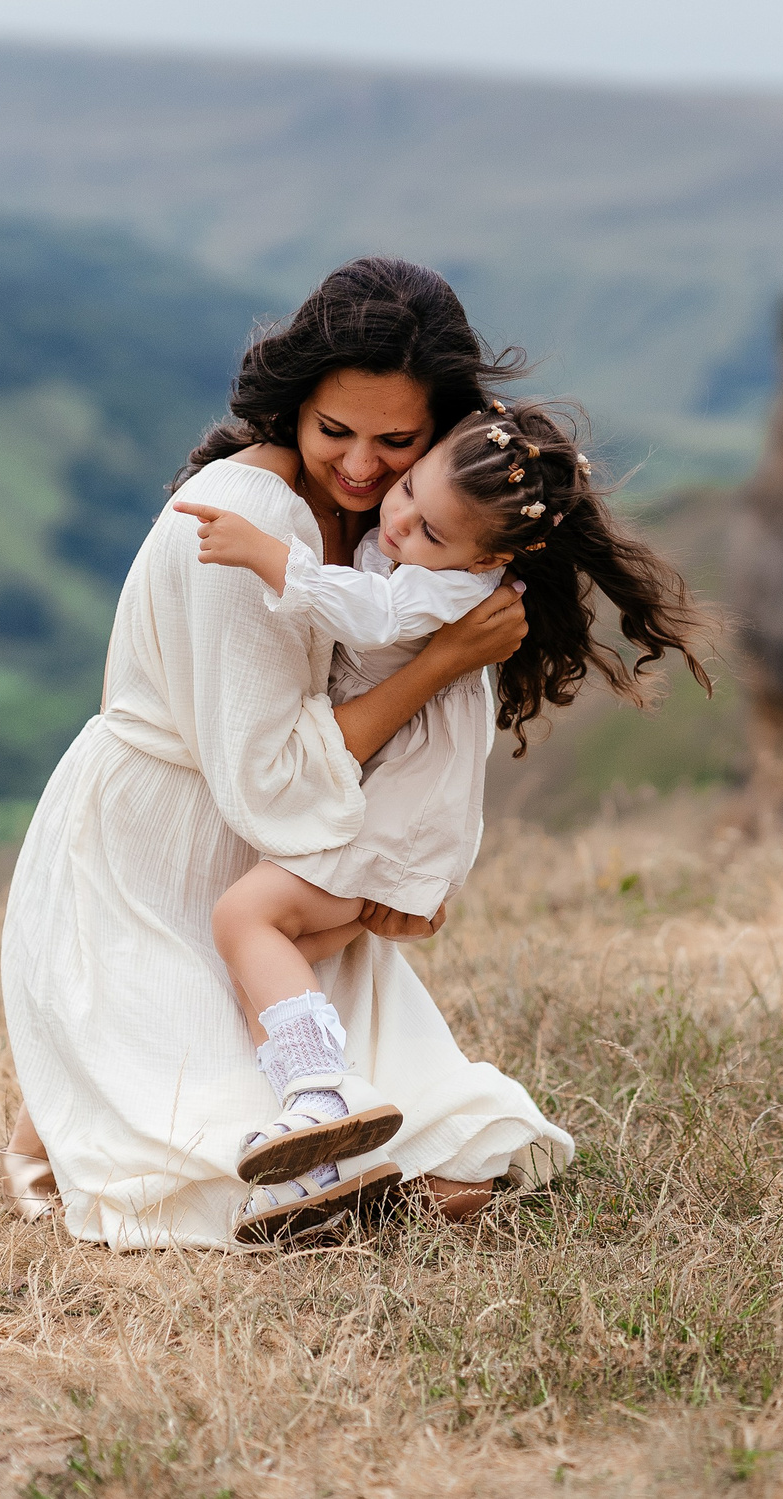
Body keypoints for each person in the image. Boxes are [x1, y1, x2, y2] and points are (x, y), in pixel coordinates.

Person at [0, 258, 572, 1248]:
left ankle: (172, 1098)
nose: (359, 468)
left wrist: (394, 860)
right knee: (218, 1180)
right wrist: (441, 664)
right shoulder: (254, 518)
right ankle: (89, 1099)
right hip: (158, 849)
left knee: (458, 1168)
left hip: (266, 853)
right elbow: (269, 776)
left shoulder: (400, 531)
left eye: (396, 443)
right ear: (294, 404)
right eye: (334, 432)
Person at [169, 400, 710, 1231]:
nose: (398, 521)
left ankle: (321, 1092)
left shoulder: (448, 591)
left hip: (388, 819)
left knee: (245, 917)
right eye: (409, 490)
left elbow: (371, 613)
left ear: (487, 556)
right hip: (395, 818)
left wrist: (270, 554)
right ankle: (326, 1159)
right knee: (275, 961)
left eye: (429, 531)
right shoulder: (439, 554)